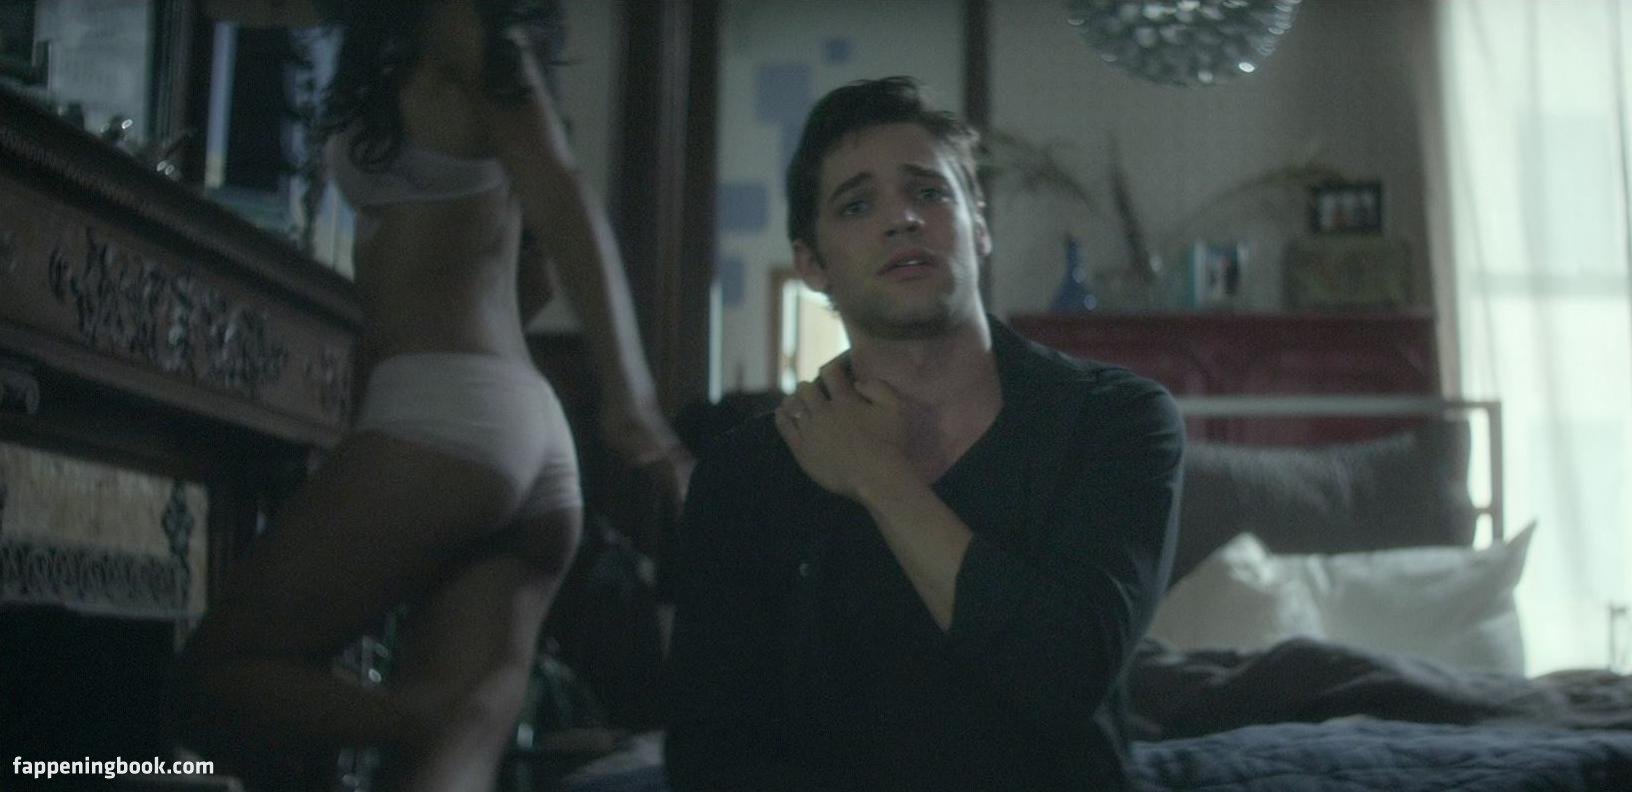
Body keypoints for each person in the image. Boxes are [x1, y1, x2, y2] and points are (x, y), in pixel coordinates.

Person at [176, 1, 689, 789]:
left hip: (451, 413)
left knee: (219, 673)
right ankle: (451, 722)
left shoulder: (464, 20)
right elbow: (535, 270)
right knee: (440, 769)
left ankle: (440, 718)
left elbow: (560, 194)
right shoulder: (430, 32)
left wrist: (631, 399)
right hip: (521, 434)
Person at [663, 77, 1185, 791]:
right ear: (812, 263)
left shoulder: (1114, 420)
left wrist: (880, 479)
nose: (902, 219)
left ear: (979, 226)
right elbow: (711, 758)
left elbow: (1066, 675)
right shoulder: (745, 473)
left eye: (929, 193)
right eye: (857, 205)